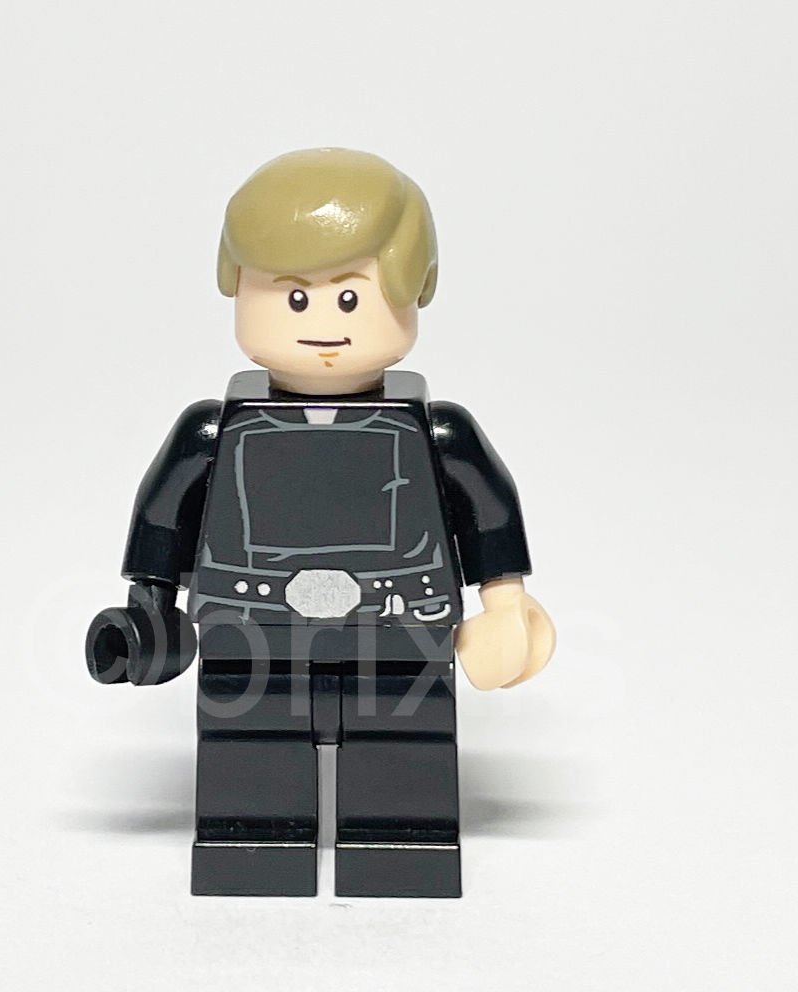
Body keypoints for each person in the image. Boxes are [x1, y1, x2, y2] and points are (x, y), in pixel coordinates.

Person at [87, 147, 556, 897]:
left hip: (401, 628)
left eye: (351, 298)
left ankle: (399, 840)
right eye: (295, 299)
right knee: (250, 742)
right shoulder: (215, 432)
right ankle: (252, 840)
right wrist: (149, 609)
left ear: (415, 289)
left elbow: (487, 517)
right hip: (248, 626)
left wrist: (506, 607)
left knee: (402, 741)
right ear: (237, 287)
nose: (324, 325)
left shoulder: (436, 433)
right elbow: (163, 522)